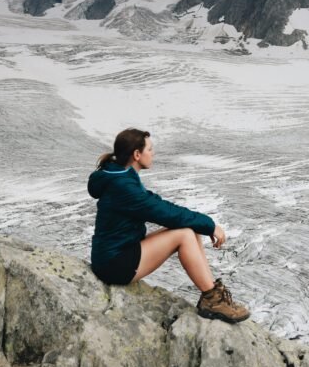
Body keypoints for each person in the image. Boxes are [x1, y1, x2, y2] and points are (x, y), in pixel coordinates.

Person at [87, 128, 250, 324]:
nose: (153, 153)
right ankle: (211, 299)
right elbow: (163, 212)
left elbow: (154, 203)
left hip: (118, 252)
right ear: (137, 155)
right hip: (114, 265)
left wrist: (202, 224)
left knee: (189, 230)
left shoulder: (118, 175)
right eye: (150, 149)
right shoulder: (123, 186)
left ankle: (213, 294)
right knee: (184, 235)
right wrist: (210, 225)